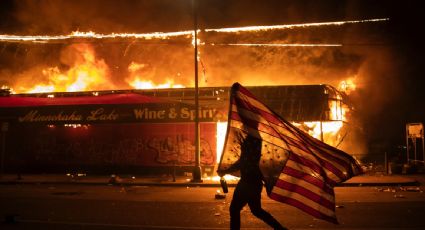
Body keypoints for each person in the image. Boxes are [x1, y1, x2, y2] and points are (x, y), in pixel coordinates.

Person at [218, 134, 287, 230]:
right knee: (256, 210)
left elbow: (243, 162)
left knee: (235, 209)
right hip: (254, 181)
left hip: (248, 182)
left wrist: (225, 171)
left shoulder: (252, 139)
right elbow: (245, 161)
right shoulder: (255, 137)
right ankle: (280, 229)